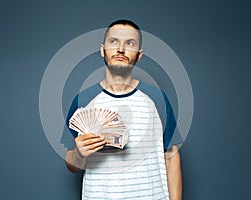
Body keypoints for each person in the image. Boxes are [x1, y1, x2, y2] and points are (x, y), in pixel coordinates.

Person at [62, 19, 183, 200]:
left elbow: (171, 156)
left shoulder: (157, 98)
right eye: (114, 41)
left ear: (139, 55)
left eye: (130, 43)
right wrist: (79, 154)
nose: (121, 49)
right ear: (102, 49)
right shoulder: (83, 100)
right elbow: (72, 165)